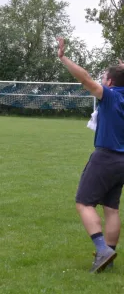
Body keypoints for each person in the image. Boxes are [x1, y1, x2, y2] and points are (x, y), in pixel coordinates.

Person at [58, 37, 122, 273]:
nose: (101, 80)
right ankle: (110, 253)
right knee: (112, 208)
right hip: (122, 163)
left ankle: (102, 249)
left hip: (106, 157)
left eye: (104, 77)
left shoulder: (111, 95)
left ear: (110, 82)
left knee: (84, 203)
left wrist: (63, 57)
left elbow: (84, 77)